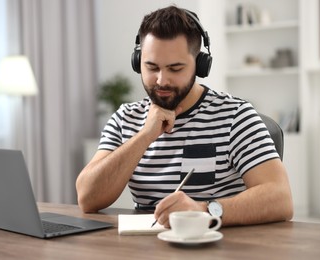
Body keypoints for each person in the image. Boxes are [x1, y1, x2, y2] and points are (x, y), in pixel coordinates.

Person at [76, 5, 293, 227]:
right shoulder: (125, 119)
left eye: (175, 69)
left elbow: (280, 198)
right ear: (137, 61)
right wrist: (144, 136)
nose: (161, 80)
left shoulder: (236, 116)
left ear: (200, 65)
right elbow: (87, 198)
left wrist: (203, 211)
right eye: (151, 67)